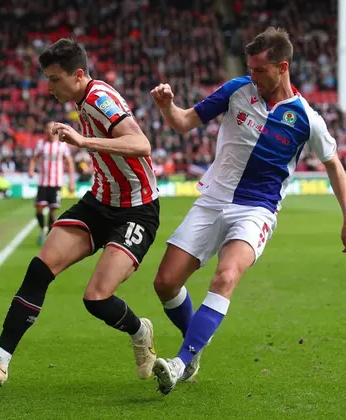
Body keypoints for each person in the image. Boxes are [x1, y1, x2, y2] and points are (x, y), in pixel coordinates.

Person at [149, 26, 346, 395]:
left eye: (259, 70)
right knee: (165, 282)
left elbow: (335, 165)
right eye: (250, 69)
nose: (251, 76)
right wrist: (166, 106)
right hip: (212, 201)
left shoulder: (306, 118)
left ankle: (180, 361)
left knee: (225, 277)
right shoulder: (236, 90)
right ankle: (194, 345)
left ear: (282, 67)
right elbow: (184, 122)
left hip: (256, 210)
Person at [0, 38, 160, 386]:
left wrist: (83, 141)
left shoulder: (98, 99)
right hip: (99, 202)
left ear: (77, 75)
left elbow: (142, 145)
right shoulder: (82, 97)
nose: (48, 86)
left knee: (96, 299)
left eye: (54, 79)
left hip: (135, 211)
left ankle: (140, 332)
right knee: (39, 269)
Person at [28, 121, 76, 245]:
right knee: (39, 208)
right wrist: (31, 169)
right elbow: (34, 158)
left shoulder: (62, 145)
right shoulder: (41, 144)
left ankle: (48, 234)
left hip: (56, 183)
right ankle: (43, 228)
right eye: (47, 128)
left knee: (52, 210)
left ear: (55, 131)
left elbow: (69, 162)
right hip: (43, 182)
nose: (49, 131)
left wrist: (71, 181)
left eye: (51, 129)